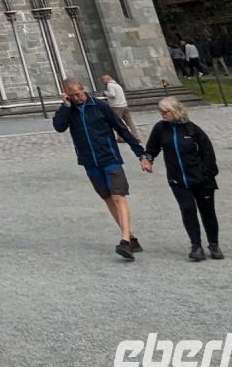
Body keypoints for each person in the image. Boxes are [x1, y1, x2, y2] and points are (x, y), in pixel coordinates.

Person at [52, 79, 150, 260]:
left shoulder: (100, 106)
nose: (76, 98)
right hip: (89, 161)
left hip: (109, 158)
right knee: (107, 198)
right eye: (71, 96)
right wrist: (65, 106)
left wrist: (141, 154)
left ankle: (124, 241)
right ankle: (130, 237)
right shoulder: (69, 110)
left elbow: (121, 128)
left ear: (83, 89)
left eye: (78, 94)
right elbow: (59, 127)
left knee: (118, 196)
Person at [140, 97, 222, 262]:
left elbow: (208, 154)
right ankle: (196, 246)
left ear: (175, 111)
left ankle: (214, 244)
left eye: (165, 111)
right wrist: (147, 159)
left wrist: (207, 175)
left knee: (208, 212)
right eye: (160, 111)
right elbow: (152, 148)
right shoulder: (160, 128)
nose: (162, 114)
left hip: (202, 180)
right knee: (187, 209)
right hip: (177, 179)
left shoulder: (193, 130)